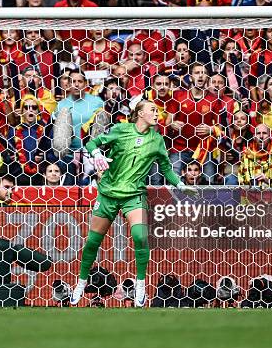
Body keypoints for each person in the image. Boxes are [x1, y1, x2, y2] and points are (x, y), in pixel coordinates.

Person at [69, 100, 195, 308]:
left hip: (134, 195)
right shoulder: (120, 130)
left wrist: (181, 185)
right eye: (153, 110)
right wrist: (98, 153)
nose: (157, 114)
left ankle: (140, 285)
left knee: (140, 236)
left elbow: (166, 169)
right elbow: (90, 144)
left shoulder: (157, 140)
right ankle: (81, 283)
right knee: (92, 241)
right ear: (140, 113)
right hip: (108, 193)